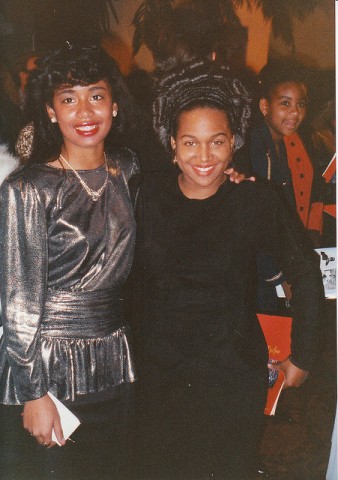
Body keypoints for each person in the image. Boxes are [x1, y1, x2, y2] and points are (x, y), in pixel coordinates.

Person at [128, 58, 324, 479]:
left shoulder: (254, 201)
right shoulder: (146, 196)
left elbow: (306, 272)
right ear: (172, 146)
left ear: (234, 141)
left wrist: (303, 355)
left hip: (230, 380)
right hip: (157, 380)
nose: (204, 156)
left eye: (217, 142)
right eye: (190, 142)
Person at [0, 43, 139, 480]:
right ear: (50, 111)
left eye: (96, 96)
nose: (85, 111)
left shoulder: (127, 169)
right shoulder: (28, 187)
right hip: (51, 367)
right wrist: (32, 393)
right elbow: (18, 300)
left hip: (116, 358)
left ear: (114, 105)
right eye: (68, 98)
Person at [242, 59, 327, 312]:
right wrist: (280, 278)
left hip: (281, 258)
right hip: (263, 269)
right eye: (285, 104)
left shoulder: (289, 144)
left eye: (300, 105)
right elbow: (258, 220)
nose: (294, 113)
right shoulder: (258, 145)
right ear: (265, 106)